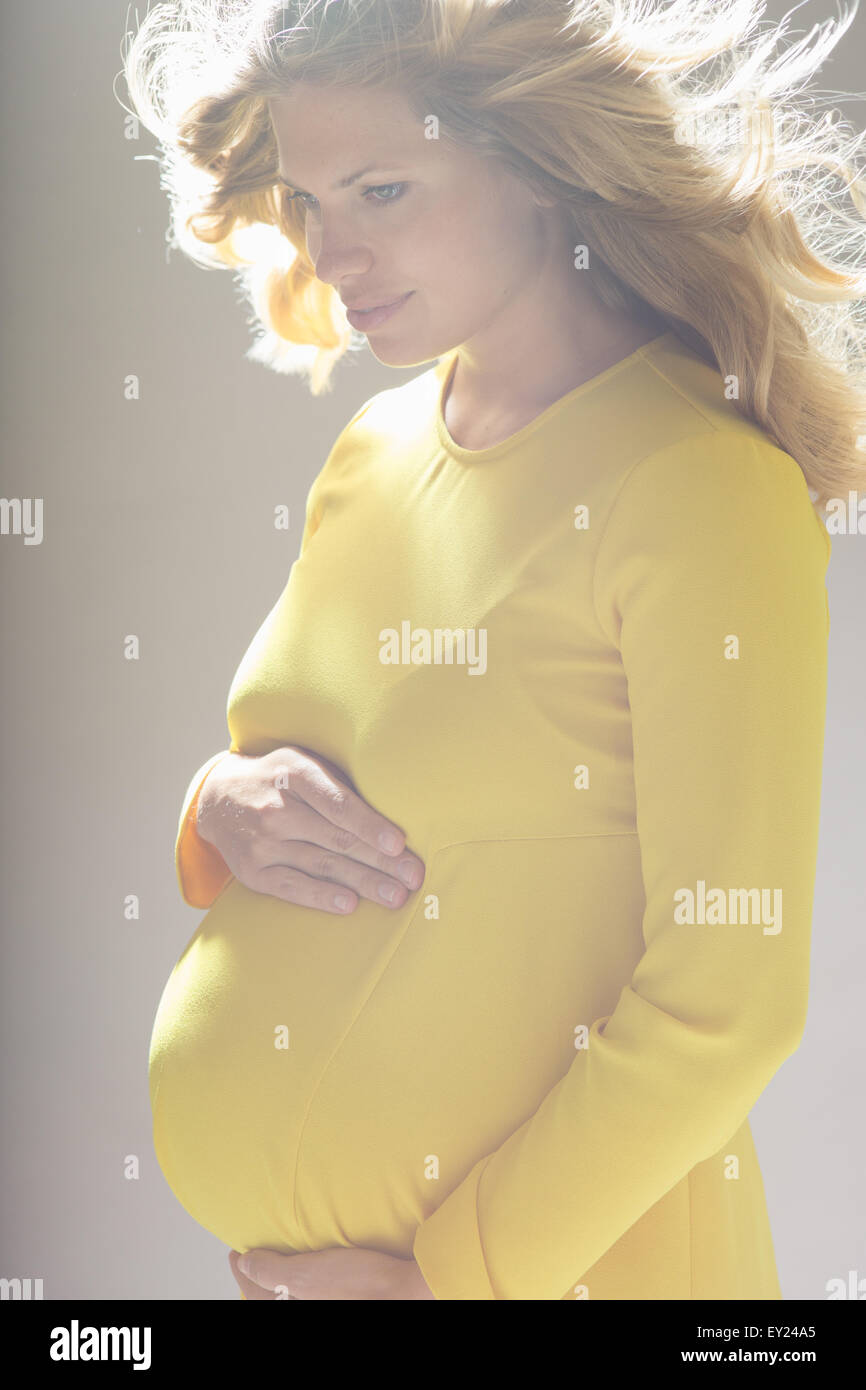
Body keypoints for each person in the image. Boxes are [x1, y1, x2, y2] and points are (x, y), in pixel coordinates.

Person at [122, 0, 866, 1300]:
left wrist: (449, 1282)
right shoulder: (376, 448)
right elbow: (327, 758)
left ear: (533, 160)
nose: (331, 250)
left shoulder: (697, 489)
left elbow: (727, 1000)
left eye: (382, 188)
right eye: (306, 200)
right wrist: (215, 808)